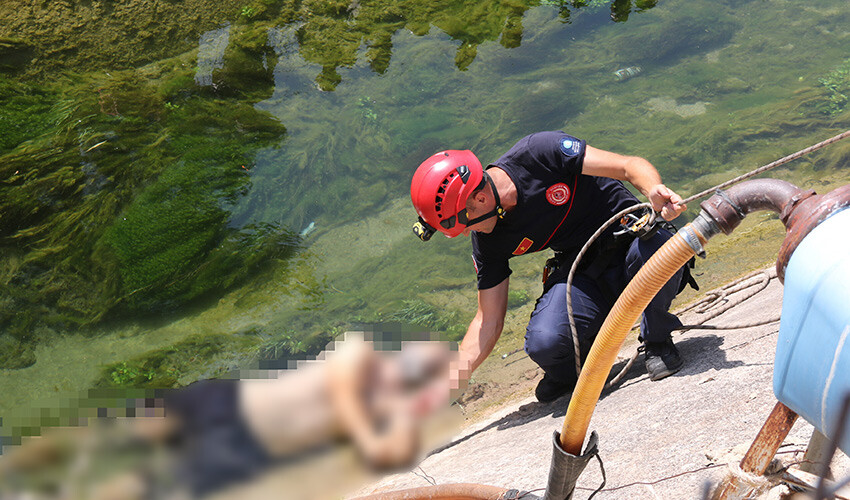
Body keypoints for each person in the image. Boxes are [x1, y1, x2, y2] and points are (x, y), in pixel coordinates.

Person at [409, 131, 693, 404]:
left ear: (480, 200)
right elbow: (488, 320)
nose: (466, 235)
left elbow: (629, 166)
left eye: (463, 226)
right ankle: (583, 365)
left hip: (634, 241)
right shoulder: (488, 241)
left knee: (658, 246)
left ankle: (657, 340)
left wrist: (653, 190)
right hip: (584, 269)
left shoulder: (538, 153)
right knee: (546, 343)